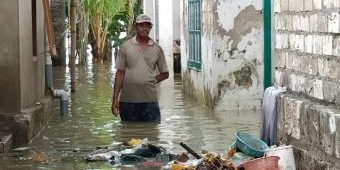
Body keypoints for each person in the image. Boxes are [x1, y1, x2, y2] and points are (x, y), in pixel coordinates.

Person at [111, 14, 169, 122]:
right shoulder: (125, 47)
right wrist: (115, 100)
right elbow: (120, 73)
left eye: (147, 26)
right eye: (141, 25)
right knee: (128, 134)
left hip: (150, 102)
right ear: (135, 26)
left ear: (150, 28)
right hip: (127, 101)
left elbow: (165, 74)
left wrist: (150, 80)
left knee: (151, 134)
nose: (144, 28)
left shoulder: (157, 49)